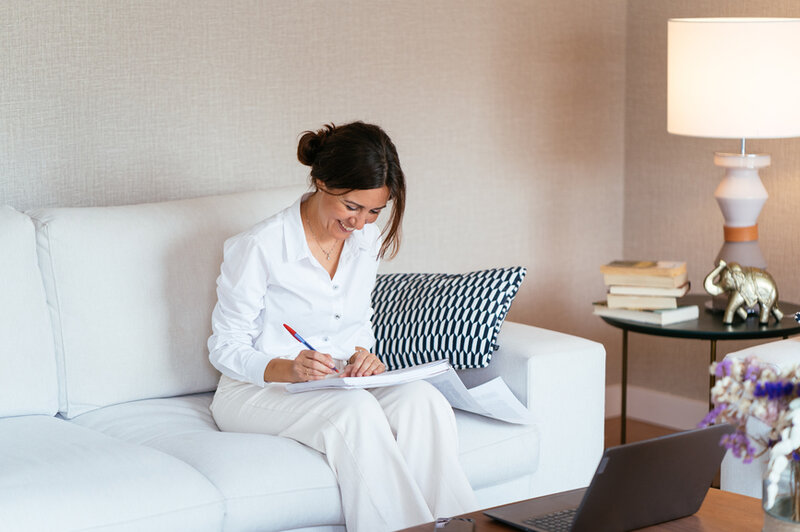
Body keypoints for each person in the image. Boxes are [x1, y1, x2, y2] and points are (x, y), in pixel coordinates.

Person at [207, 122, 478, 531]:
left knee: (424, 401)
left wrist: (361, 354)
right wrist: (290, 368)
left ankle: (461, 527)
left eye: (374, 211)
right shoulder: (259, 247)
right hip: (255, 390)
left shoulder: (364, 244)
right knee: (353, 413)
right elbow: (224, 347)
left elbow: (357, 324)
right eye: (351, 207)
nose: (361, 223)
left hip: (334, 382)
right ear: (321, 181)